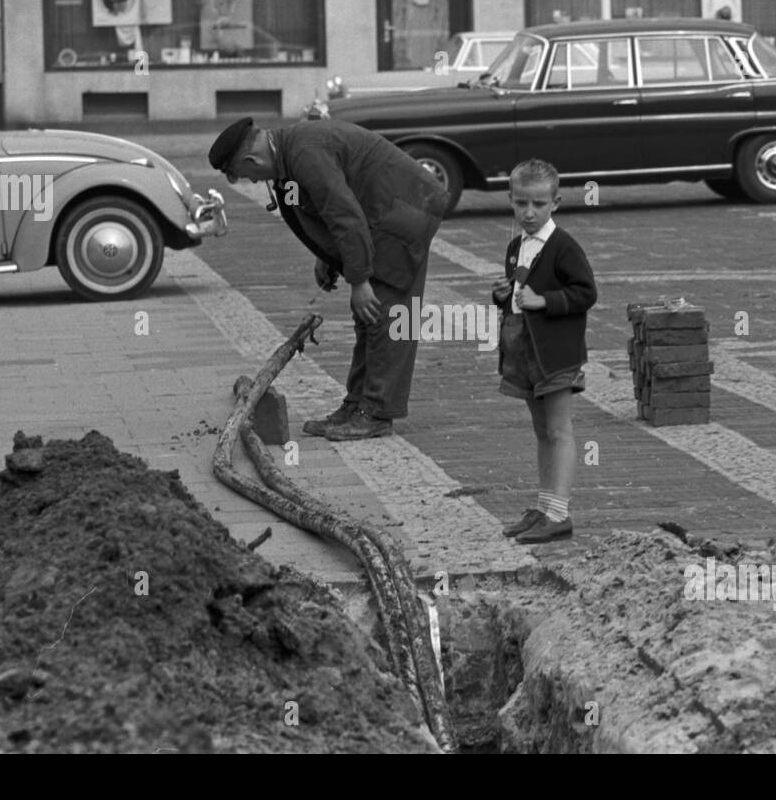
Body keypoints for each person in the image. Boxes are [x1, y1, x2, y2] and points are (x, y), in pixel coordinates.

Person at [208, 116, 448, 440]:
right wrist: (327, 257)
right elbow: (318, 210)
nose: (253, 182)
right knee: (368, 320)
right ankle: (356, 405)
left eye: (249, 176)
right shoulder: (287, 156)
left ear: (253, 159)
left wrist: (360, 280)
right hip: (381, 212)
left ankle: (375, 413)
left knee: (385, 316)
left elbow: (344, 215)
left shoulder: (305, 152)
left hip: (403, 213)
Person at [491, 159, 596, 544]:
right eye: (521, 204)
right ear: (511, 201)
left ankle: (559, 513)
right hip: (523, 348)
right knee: (541, 432)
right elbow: (518, 293)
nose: (529, 213)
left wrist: (544, 301)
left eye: (538, 204)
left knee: (559, 430)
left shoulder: (563, 246)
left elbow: (586, 293)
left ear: (556, 202)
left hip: (555, 354)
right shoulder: (515, 245)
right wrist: (501, 296)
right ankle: (544, 505)